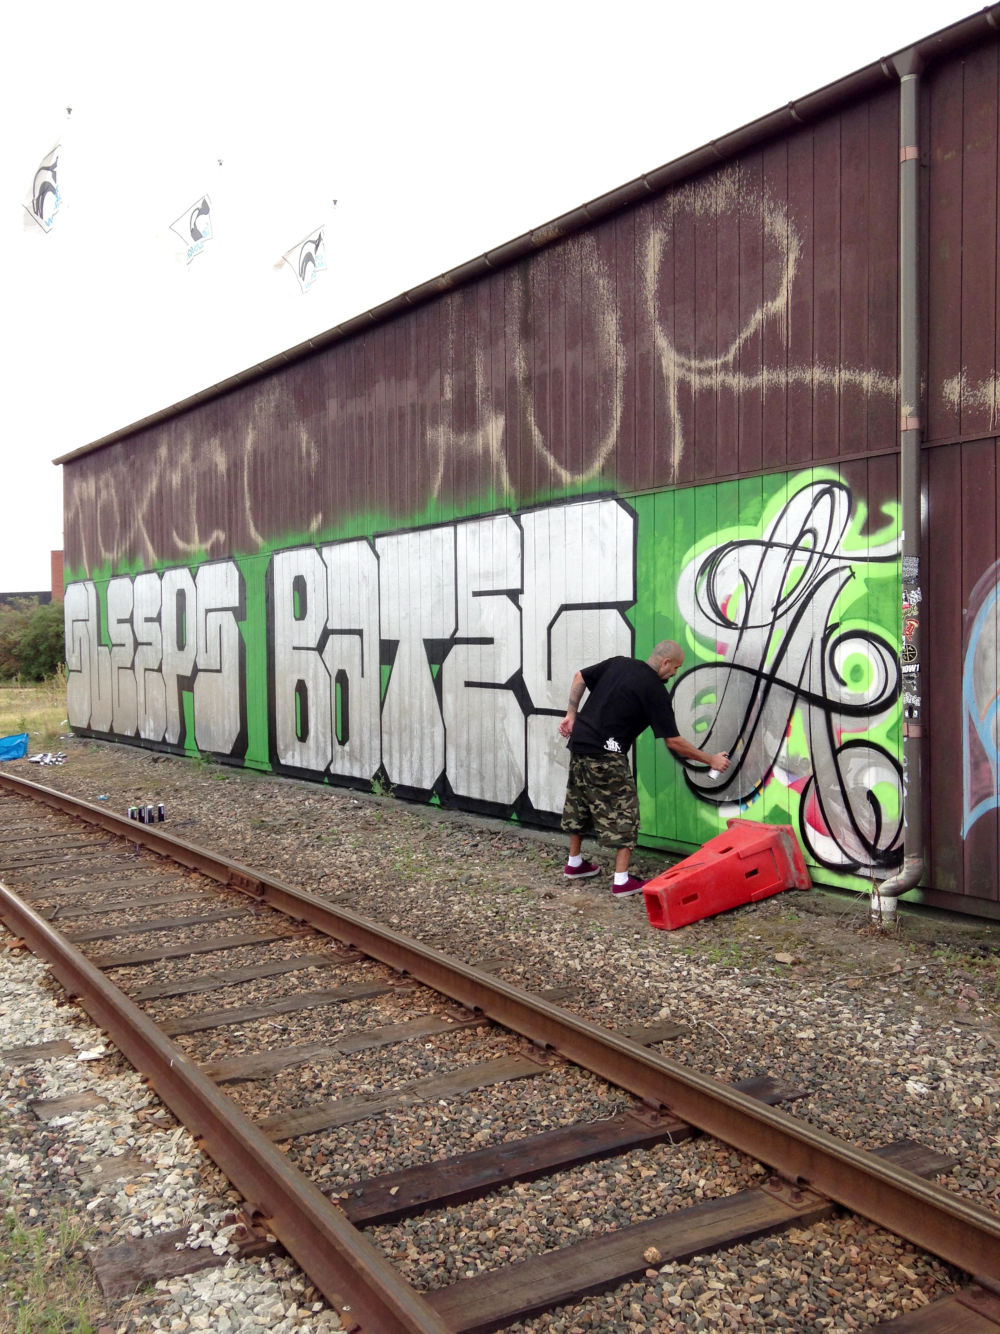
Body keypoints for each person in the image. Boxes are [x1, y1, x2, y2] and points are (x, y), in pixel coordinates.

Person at [558, 640, 730, 897]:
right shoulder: (654, 690)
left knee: (578, 802)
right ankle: (621, 880)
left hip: (580, 744)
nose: (675, 674)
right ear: (665, 662)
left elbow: (579, 676)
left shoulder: (618, 663)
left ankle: (574, 863)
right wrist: (710, 760)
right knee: (626, 812)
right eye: (676, 668)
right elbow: (673, 741)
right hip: (607, 755)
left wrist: (571, 714)